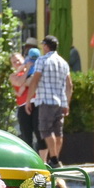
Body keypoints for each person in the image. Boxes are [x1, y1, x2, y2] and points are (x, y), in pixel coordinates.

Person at [28, 35, 72, 167]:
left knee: (46, 130)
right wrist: (67, 103)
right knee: (58, 132)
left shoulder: (42, 60)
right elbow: (69, 85)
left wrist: (29, 99)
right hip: (60, 102)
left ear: (46, 46)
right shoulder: (63, 62)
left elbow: (35, 80)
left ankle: (53, 159)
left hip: (46, 100)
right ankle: (56, 159)